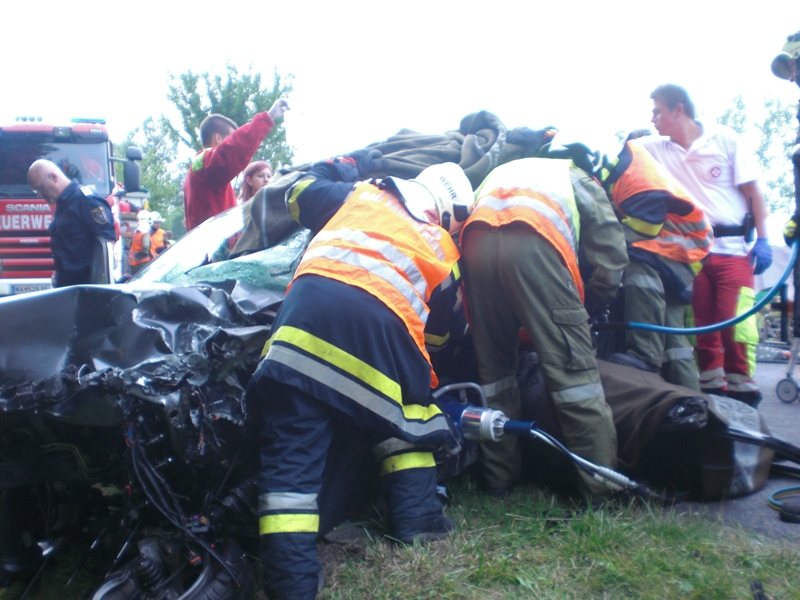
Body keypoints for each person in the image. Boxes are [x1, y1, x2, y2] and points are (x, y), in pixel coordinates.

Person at [246, 153, 474, 600]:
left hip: (300, 336)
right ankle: (419, 524)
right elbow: (446, 336)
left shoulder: (357, 196)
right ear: (450, 216)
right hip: (382, 346)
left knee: (291, 470)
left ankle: (290, 585)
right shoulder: (443, 248)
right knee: (409, 421)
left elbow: (294, 192)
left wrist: (348, 163)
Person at [459, 157, 628, 498]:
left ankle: (499, 480)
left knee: (495, 375)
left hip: (474, 246)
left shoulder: (503, 170)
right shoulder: (574, 174)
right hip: (534, 242)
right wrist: (598, 297)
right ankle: (601, 488)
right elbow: (611, 251)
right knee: (574, 378)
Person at [633, 84, 772, 406]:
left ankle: (745, 394)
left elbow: (754, 192)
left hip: (734, 250)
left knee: (737, 329)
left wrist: (763, 239)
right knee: (702, 331)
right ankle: (713, 395)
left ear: (677, 110)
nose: (652, 118)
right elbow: (624, 151)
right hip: (693, 254)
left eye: (657, 111)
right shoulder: (657, 147)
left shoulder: (724, 139)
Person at [602, 135, 713, 390]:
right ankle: (692, 406)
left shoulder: (636, 176)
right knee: (674, 341)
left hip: (669, 247)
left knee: (632, 263)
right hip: (678, 254)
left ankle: (645, 357)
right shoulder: (630, 167)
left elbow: (643, 228)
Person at [183, 98, 289, 231]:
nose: (266, 179)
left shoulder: (198, 169)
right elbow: (234, 149)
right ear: (218, 138)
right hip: (218, 245)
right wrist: (267, 118)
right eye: (231, 137)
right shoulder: (208, 164)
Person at [27, 159, 115, 287]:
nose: (39, 195)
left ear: (53, 177)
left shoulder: (86, 200)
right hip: (68, 288)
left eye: (39, 188)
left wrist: (95, 288)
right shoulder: (62, 203)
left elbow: (106, 244)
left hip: (84, 290)